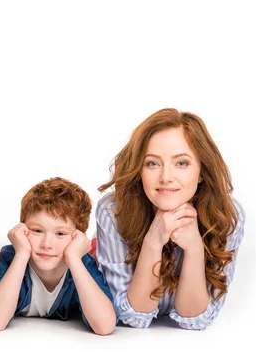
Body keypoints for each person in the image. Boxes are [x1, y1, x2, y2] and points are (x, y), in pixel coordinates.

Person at [96, 108, 245, 330]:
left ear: (202, 171)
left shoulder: (228, 215)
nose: (166, 178)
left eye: (182, 163)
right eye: (153, 163)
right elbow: (134, 316)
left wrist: (194, 248)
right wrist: (153, 241)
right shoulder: (113, 211)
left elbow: (196, 319)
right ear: (139, 170)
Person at [0, 177, 116, 335]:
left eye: (60, 233)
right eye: (37, 231)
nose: (46, 244)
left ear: (77, 237)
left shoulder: (83, 262)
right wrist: (22, 254)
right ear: (22, 229)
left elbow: (104, 326)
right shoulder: (12, 256)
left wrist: (74, 259)